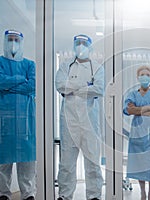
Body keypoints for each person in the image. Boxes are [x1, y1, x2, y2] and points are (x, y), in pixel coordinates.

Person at [55, 34, 104, 200]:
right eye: (78, 43)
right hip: (69, 121)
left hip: (89, 121)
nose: (80, 46)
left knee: (92, 161)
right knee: (67, 162)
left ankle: (94, 195)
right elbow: (60, 85)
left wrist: (73, 88)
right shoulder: (65, 66)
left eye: (84, 43)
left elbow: (99, 89)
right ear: (73, 45)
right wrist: (85, 86)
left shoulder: (97, 67)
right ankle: (64, 195)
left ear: (90, 47)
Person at [0, 30, 36, 200]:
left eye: (16, 40)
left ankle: (28, 193)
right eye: (10, 39)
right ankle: (3, 193)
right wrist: (20, 79)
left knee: (27, 157)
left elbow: (32, 86)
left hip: (26, 116)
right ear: (5, 41)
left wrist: (8, 86)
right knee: (4, 155)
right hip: (5, 116)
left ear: (21, 42)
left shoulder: (30, 65)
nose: (13, 43)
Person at [123, 66, 150, 200]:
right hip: (138, 131)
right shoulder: (132, 94)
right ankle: (142, 192)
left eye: (147, 74)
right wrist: (148, 108)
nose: (144, 76)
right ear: (138, 77)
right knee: (140, 162)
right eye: (142, 74)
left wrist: (139, 109)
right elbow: (129, 110)